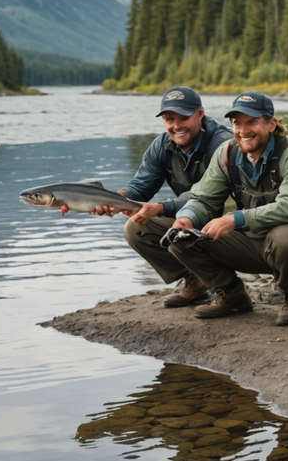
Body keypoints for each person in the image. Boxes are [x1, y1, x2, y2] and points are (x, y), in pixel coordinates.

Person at [167, 91, 288, 326]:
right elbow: (203, 199)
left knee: (285, 236)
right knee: (180, 236)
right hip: (251, 241)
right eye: (237, 123)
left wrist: (234, 219)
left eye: (252, 122)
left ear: (272, 124)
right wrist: (186, 218)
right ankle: (231, 293)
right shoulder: (226, 153)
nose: (243, 131)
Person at [92, 86, 233, 307]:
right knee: (135, 228)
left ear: (200, 115)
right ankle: (195, 280)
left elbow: (207, 195)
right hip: (189, 217)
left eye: (183, 118)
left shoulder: (224, 144)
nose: (176, 126)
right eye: (169, 119)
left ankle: (229, 288)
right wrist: (113, 200)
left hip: (229, 222)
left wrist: (160, 207)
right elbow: (140, 185)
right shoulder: (162, 145)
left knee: (179, 227)